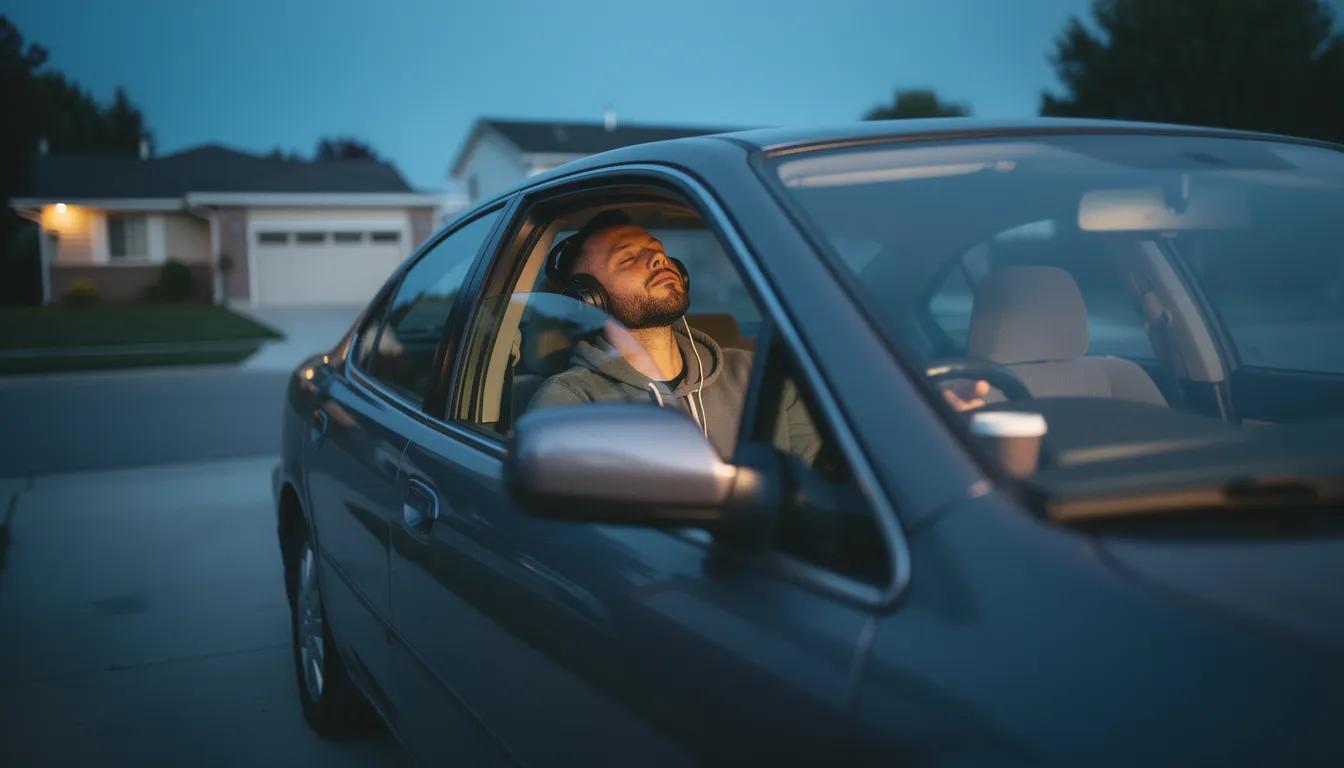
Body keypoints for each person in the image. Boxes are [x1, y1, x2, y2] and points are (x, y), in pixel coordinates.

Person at [526, 209, 986, 462]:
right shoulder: (571, 401)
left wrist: (923, 425)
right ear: (590, 299)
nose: (657, 260)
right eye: (629, 259)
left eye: (659, 251)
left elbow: (829, 468)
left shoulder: (755, 374)